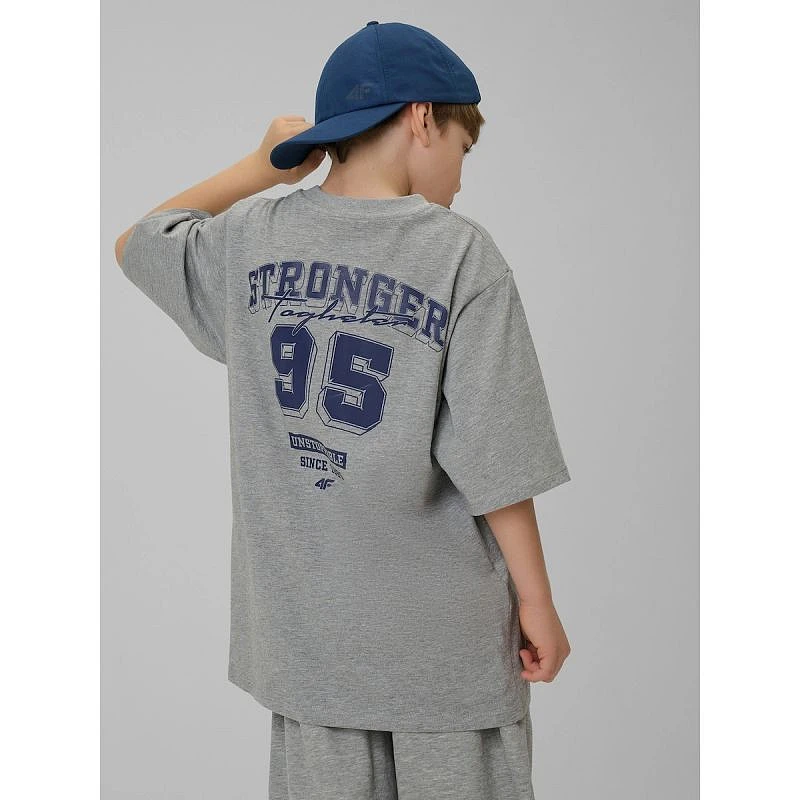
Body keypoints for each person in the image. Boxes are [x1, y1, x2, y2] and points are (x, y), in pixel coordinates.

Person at [115, 20, 572, 800]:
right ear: (423, 117)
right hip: (444, 660)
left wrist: (260, 167)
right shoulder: (460, 255)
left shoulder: (252, 241)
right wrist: (537, 602)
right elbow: (498, 458)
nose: (462, 179)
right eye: (464, 149)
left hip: (310, 655)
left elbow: (138, 241)